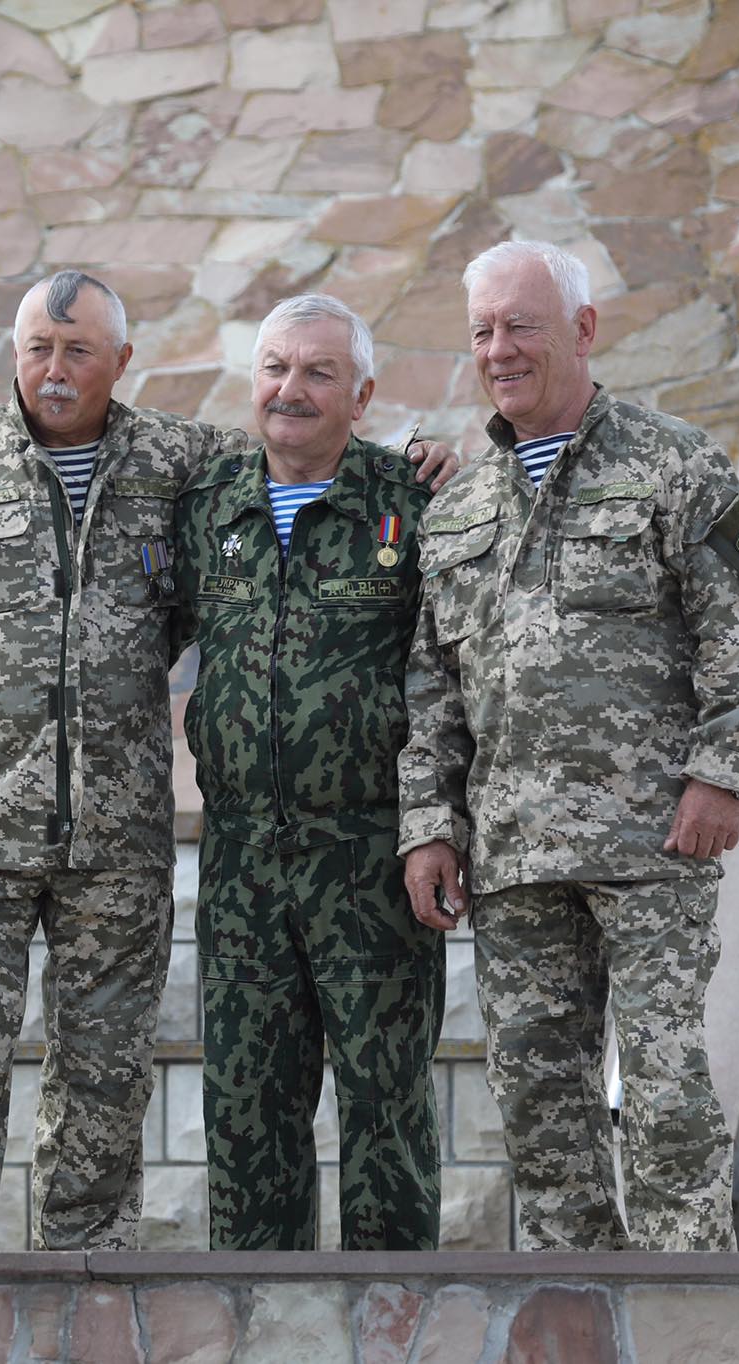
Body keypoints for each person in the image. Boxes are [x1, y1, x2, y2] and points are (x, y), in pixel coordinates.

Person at [0, 267, 461, 1251]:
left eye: (78, 351)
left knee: (103, 1078)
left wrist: (414, 454)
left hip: (121, 839)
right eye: (39, 349)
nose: (55, 371)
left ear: (120, 361)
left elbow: (302, 448)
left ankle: (87, 1274)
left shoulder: (179, 463)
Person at [398, 240, 739, 1251]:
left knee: (664, 1095)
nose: (498, 348)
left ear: (580, 329)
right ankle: (579, 1304)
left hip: (652, 842)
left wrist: (720, 774)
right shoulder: (458, 509)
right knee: (537, 1108)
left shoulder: (673, 462)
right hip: (512, 855)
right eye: (482, 330)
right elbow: (431, 688)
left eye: (519, 325)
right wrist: (429, 825)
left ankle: (687, 1311)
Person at [172, 294, 444, 1251]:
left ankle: (394, 1315)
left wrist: (437, 826)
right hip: (242, 860)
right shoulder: (206, 505)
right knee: (247, 1115)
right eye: (275, 368)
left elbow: (450, 676)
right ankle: (258, 1317)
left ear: (361, 396)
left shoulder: (414, 502)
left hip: (372, 857)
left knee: (386, 1112)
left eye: (320, 372)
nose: (291, 389)